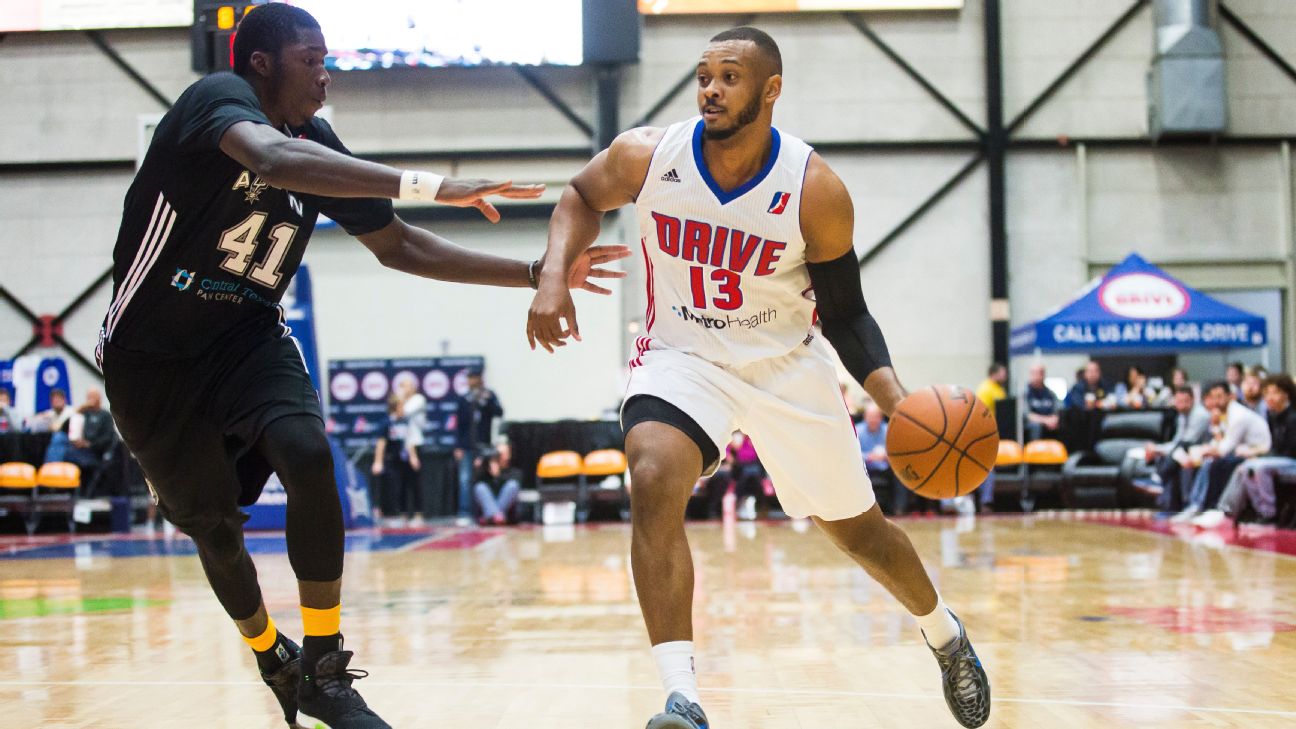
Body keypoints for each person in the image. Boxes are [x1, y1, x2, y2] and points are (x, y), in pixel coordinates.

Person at [94, 5, 627, 727]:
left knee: (310, 452)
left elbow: (398, 244)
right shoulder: (215, 103)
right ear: (261, 64)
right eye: (312, 58)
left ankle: (323, 669)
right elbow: (274, 162)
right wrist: (434, 183)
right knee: (215, 530)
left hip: (245, 339)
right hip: (151, 361)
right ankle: (269, 654)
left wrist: (534, 271)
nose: (326, 72)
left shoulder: (315, 140)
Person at [525, 27, 990, 729]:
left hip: (783, 365)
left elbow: (847, 312)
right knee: (651, 473)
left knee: (860, 533)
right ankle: (682, 697)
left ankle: (943, 633)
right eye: (704, 75)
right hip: (683, 355)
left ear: (770, 89)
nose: (711, 88)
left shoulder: (814, 189)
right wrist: (553, 273)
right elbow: (580, 197)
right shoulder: (648, 155)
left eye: (730, 76)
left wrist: (896, 403)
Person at [1192, 373, 1296, 528]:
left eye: (1274, 392)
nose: (1269, 397)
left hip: (1290, 460)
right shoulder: (1272, 415)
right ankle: (1231, 510)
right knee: (1244, 467)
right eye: (1267, 393)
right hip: (1276, 458)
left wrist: (1260, 455)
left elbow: (1289, 450)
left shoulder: (1292, 417)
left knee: (1259, 467)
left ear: (1285, 394)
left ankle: (1269, 515)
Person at [1170, 380, 1271, 523]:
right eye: (1213, 397)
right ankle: (1194, 505)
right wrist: (1214, 430)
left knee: (1214, 463)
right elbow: (1219, 441)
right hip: (1239, 452)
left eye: (1220, 396)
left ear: (1230, 396)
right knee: (1205, 461)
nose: (1216, 401)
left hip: (1258, 454)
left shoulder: (1238, 415)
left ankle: (1212, 507)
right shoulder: (1224, 414)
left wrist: (1203, 452)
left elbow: (1224, 449)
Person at [1145, 385, 1211, 511]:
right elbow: (1177, 441)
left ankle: (1159, 478)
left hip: (1202, 452)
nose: (1181, 405)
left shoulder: (1200, 415)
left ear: (1192, 400)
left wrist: (1160, 449)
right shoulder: (1182, 415)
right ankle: (1169, 505)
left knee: (1178, 452)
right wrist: (1157, 449)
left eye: (1184, 401)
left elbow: (1187, 441)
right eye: (1178, 401)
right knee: (1166, 455)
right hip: (1187, 451)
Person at [455, 367, 503, 520]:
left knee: (484, 479)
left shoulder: (489, 395)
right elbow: (460, 425)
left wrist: (486, 401)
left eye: (474, 377)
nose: (471, 381)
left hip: (485, 445)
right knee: (465, 479)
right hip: (467, 445)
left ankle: (485, 512)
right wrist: (458, 446)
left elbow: (499, 412)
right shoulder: (464, 399)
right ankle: (465, 512)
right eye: (469, 378)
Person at [370, 393, 420, 527]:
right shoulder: (386, 423)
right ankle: (389, 514)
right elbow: (381, 443)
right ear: (395, 407)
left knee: (403, 487)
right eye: (401, 406)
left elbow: (409, 441)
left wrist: (413, 457)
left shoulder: (405, 421)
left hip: (402, 460)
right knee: (391, 487)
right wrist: (378, 462)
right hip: (390, 460)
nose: (403, 409)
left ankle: (402, 514)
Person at [65, 387, 120, 495]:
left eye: (93, 397)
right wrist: (80, 409)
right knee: (66, 452)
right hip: (80, 450)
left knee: (80, 460)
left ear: (99, 398)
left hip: (97, 452)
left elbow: (108, 438)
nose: (90, 400)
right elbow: (67, 427)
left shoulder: (106, 416)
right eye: (89, 397)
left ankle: (84, 494)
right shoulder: (84, 414)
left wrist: (90, 444)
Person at [473, 441, 522, 525]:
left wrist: (498, 475)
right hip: (489, 509)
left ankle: (494, 516)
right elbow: (476, 484)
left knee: (512, 485)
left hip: (507, 514)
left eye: (504, 453)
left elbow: (515, 488)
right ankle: (496, 516)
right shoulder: (486, 470)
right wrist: (478, 468)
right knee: (480, 487)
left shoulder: (514, 471)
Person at [1022, 363, 1060, 442]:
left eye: (1039, 373)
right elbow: (1027, 415)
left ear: (1043, 375)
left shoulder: (1050, 394)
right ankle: (1035, 452)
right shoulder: (1025, 393)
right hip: (1032, 424)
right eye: (1033, 373)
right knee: (1036, 426)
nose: (1036, 377)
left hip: (1049, 423)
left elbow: (1058, 411)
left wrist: (1055, 419)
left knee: (1061, 424)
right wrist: (1046, 421)